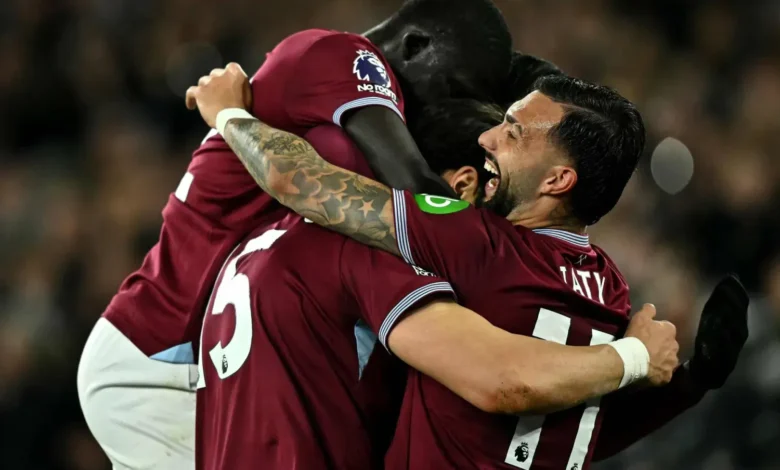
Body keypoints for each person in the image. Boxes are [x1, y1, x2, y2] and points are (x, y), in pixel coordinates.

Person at [185, 65, 750, 469]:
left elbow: (298, 183)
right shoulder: (609, 286)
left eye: (513, 132)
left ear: (558, 181)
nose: (487, 137)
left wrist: (227, 113)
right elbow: (566, 436)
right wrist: (684, 381)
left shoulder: (474, 241)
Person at [76, 0, 521, 467]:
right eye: (453, 85)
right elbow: (414, 191)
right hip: (162, 354)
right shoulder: (344, 55)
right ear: (416, 44)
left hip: (189, 351)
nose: (447, 103)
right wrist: (521, 253)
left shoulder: (333, 88)